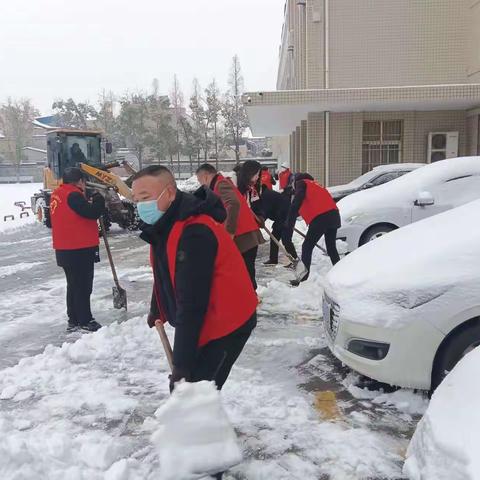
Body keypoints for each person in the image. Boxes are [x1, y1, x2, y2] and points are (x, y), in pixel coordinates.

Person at [133, 165, 257, 386]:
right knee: (193, 394)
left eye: (145, 197)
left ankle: (203, 417)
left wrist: (181, 366)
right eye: (136, 200)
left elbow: (192, 303)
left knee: (195, 393)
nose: (141, 206)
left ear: (169, 193)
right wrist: (157, 308)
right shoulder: (165, 223)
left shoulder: (194, 233)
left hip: (228, 323)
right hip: (209, 315)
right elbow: (164, 271)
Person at [50, 167, 105, 332]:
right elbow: (92, 212)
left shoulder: (58, 194)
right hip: (79, 249)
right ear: (80, 181)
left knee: (73, 285)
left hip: (64, 249)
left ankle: (73, 319)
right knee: (83, 286)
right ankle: (85, 320)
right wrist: (98, 199)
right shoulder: (73, 195)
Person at [196, 163, 264, 291]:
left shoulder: (220, 184)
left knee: (244, 270)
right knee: (244, 269)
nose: (201, 184)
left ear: (205, 177)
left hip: (244, 236)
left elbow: (233, 203)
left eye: (200, 180)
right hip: (246, 235)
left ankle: (250, 298)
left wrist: (229, 232)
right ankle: (249, 296)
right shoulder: (223, 183)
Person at [286, 173, 341, 286]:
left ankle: (303, 278)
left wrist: (289, 223)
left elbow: (297, 202)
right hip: (334, 216)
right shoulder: (315, 185)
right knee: (331, 248)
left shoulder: (301, 183)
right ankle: (341, 272)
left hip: (321, 218)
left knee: (307, 246)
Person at [261, 188, 298, 267]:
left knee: (286, 240)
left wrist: (262, 220)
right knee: (274, 237)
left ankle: (295, 260)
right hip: (280, 217)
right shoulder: (266, 194)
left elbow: (266, 210)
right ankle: (273, 259)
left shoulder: (266, 196)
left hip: (287, 217)